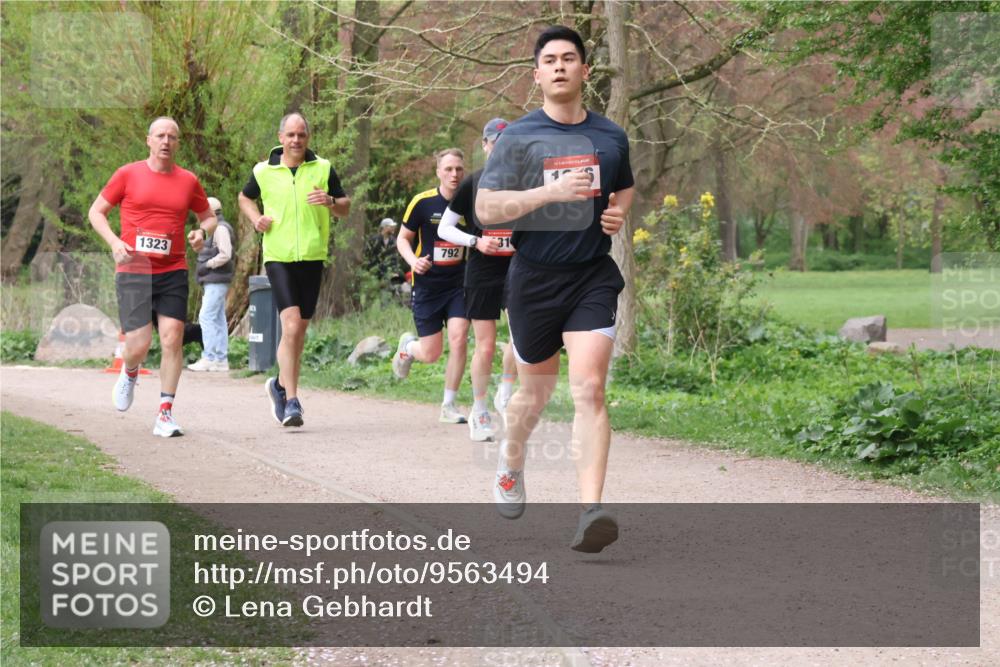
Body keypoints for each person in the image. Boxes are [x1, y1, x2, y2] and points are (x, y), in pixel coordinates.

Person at [476, 26, 635, 552]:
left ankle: (591, 511)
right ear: (537, 75)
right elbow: (486, 209)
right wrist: (548, 193)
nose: (561, 66)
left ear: (586, 70)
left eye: (571, 58)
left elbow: (625, 185)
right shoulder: (518, 137)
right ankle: (510, 459)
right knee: (535, 393)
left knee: (589, 388)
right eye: (551, 60)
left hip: (591, 273)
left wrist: (616, 213)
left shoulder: (611, 135)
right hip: (535, 277)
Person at [89, 116, 217, 437]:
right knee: (139, 344)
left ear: (178, 143)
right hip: (134, 269)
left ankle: (164, 413)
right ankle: (130, 371)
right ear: (148, 140)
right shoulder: (127, 174)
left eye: (172, 137)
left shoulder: (188, 180)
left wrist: (201, 232)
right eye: (160, 135)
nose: (165, 142)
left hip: (173, 269)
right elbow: (96, 212)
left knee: (172, 337)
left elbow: (209, 217)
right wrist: (115, 242)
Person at [237, 112, 350, 427]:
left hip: (313, 256)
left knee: (299, 330)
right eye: (290, 135)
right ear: (280, 137)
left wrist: (329, 201)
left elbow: (345, 207)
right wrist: (255, 218)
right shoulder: (264, 171)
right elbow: (244, 198)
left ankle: (279, 385)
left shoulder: (323, 168)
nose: (296, 140)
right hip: (279, 255)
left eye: (301, 135)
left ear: (308, 138)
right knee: (290, 326)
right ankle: (292, 401)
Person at [438, 118, 519, 442]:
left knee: (521, 339)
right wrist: (475, 241)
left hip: (517, 269)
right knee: (485, 346)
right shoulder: (473, 182)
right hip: (483, 270)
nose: (500, 148)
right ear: (486, 146)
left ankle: (506, 392)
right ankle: (480, 410)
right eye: (494, 142)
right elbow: (445, 228)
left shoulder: (525, 180)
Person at [391, 148, 471, 425]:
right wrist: (413, 261)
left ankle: (448, 405)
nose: (454, 174)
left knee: (460, 338)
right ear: (438, 172)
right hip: (427, 286)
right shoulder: (422, 202)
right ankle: (408, 348)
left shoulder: (471, 202)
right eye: (448, 169)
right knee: (432, 353)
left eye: (459, 169)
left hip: (458, 284)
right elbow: (402, 239)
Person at [188, 196, 233, 372]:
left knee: (206, 317)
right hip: (217, 280)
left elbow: (225, 254)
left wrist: (207, 265)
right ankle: (221, 359)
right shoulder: (217, 228)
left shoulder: (220, 228)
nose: (201, 217)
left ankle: (210, 357)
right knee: (218, 318)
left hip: (216, 279)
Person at [365, 217, 404, 285]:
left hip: (389, 275)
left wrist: (395, 272)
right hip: (374, 275)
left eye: (393, 226)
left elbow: (394, 259)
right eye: (391, 226)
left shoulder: (394, 242)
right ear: (384, 227)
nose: (393, 228)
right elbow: (367, 256)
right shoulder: (373, 240)